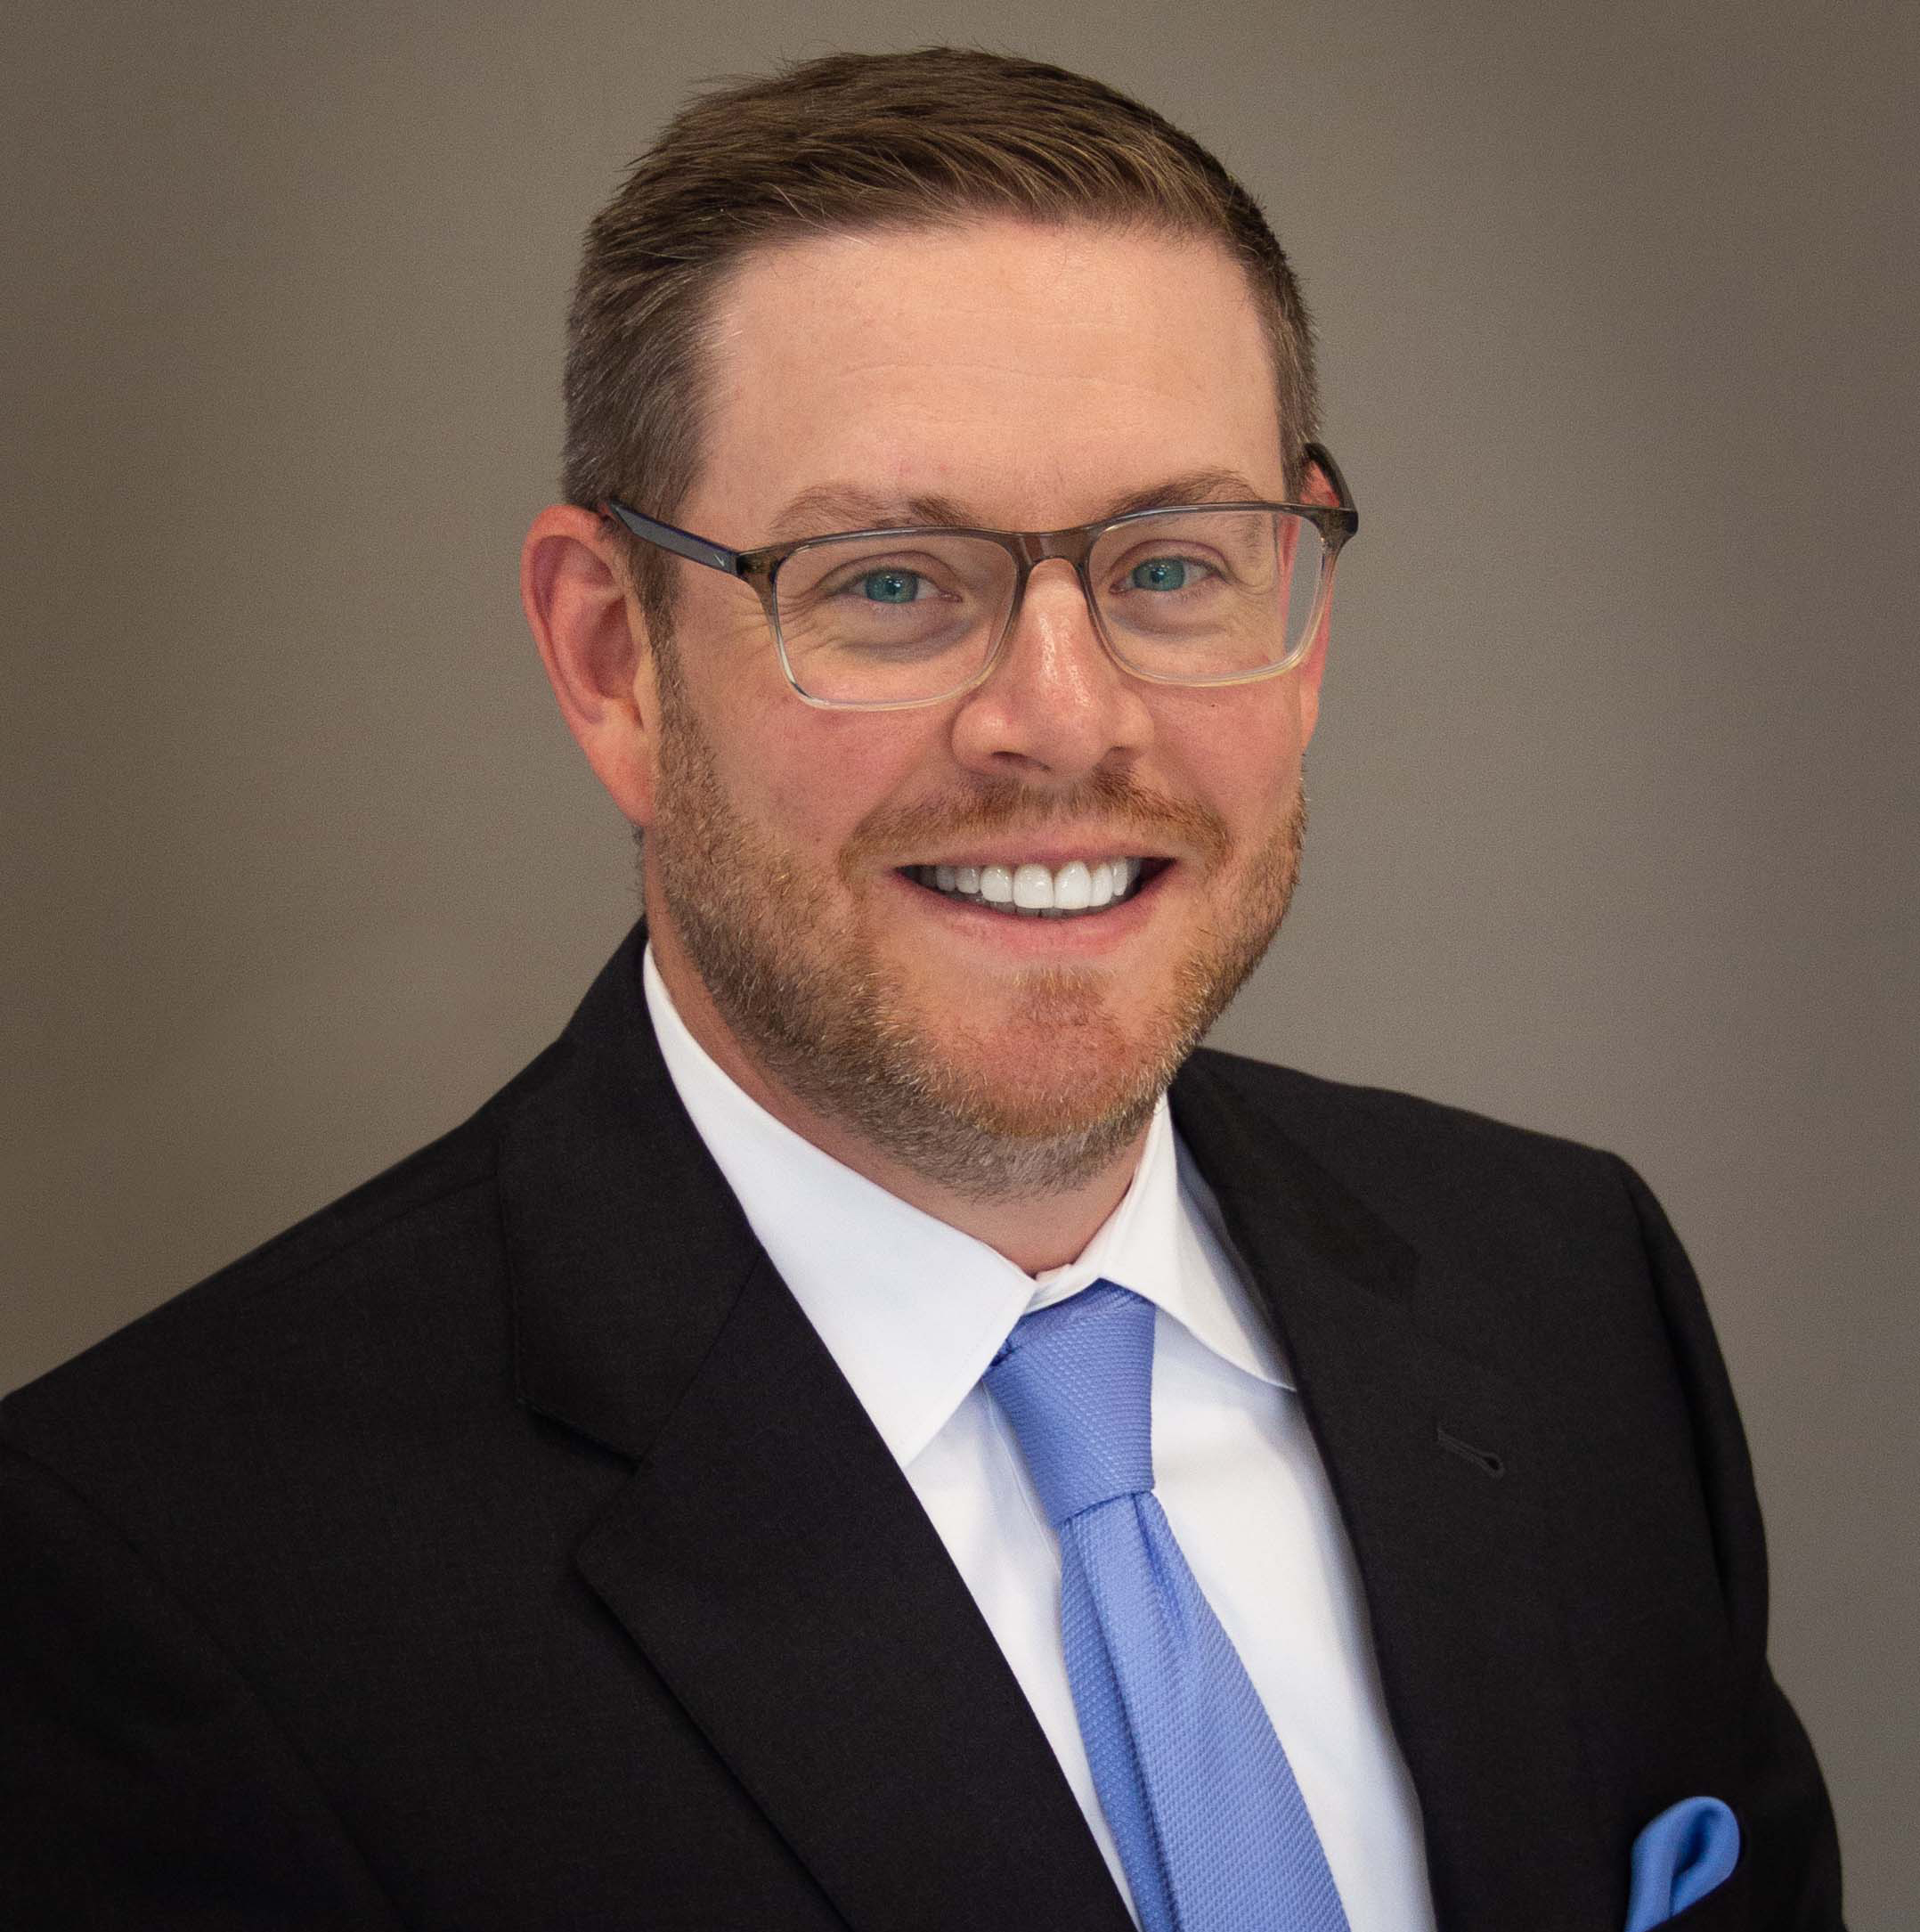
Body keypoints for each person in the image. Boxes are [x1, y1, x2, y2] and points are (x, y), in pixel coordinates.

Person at [0, 47, 1842, 1932]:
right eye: (887, 581)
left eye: (1173, 562)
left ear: (1300, 613)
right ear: (612, 658)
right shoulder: (156, 1578)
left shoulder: (1565, 1289)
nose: (1063, 718)